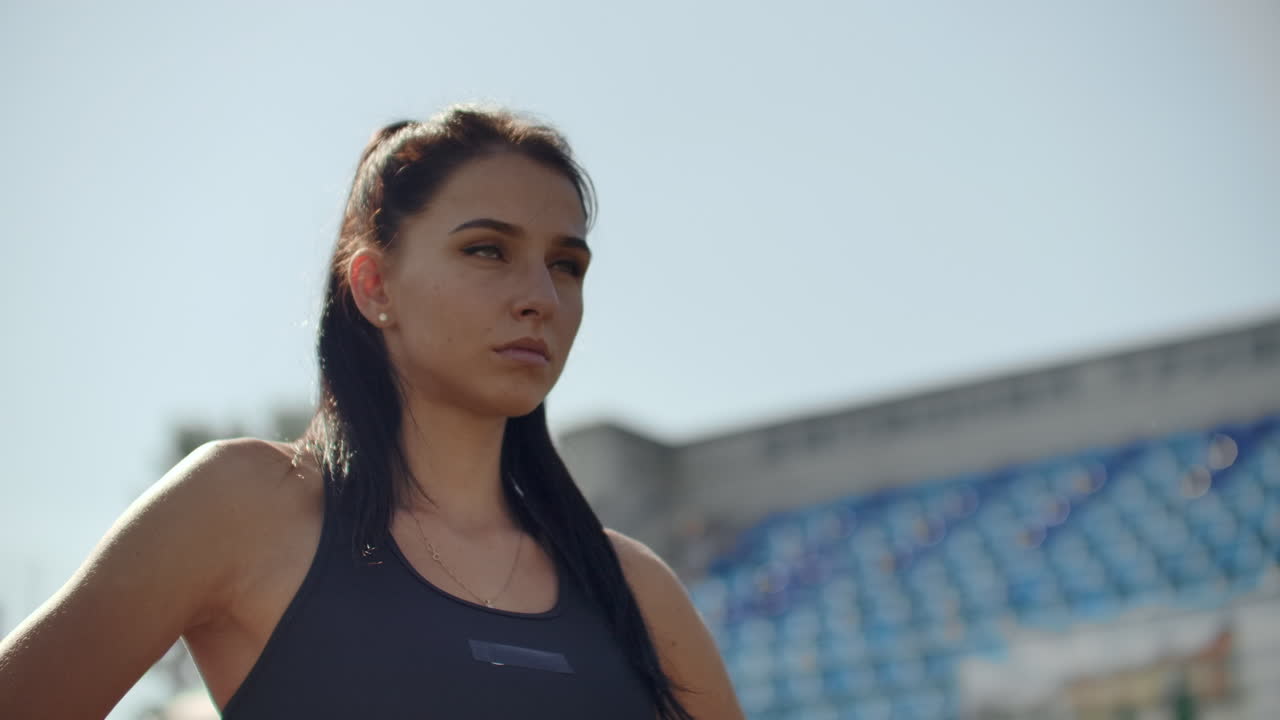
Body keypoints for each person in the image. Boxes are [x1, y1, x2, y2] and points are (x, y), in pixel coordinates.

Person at [0, 105, 744, 719]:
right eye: (487, 251)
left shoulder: (635, 587)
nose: (541, 299)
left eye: (567, 265)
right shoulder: (245, 505)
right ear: (373, 286)